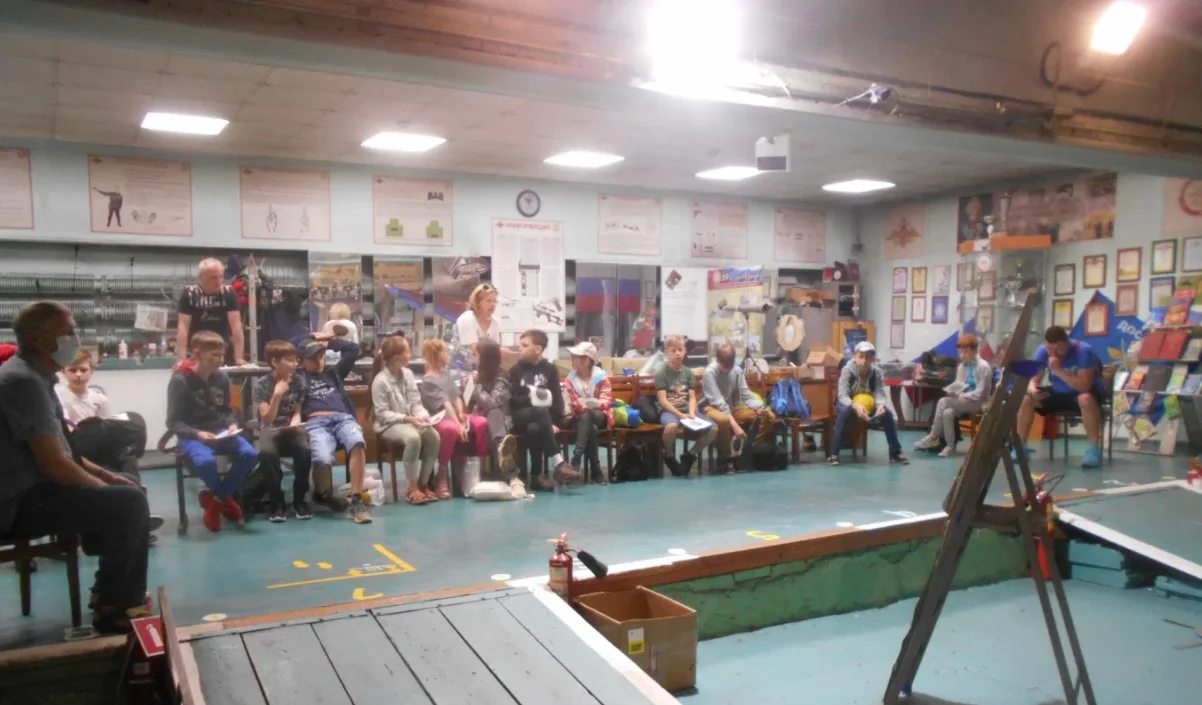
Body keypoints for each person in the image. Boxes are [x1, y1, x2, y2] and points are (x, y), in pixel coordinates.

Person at [0, 301, 150, 634]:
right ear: (37, 338)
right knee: (128, 503)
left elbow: (66, 451)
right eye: (66, 332)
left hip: (33, 489)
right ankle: (116, 607)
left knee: (126, 483)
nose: (75, 338)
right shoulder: (22, 382)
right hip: (15, 503)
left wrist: (107, 476)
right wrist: (102, 488)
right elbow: (55, 465)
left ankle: (107, 589)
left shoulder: (37, 377)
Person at [57, 350, 164, 540]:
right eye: (73, 370)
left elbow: (110, 428)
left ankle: (140, 516)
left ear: (91, 372)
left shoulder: (99, 399)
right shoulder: (58, 397)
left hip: (101, 447)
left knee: (128, 458)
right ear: (64, 372)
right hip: (76, 450)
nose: (78, 375)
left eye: (83, 370)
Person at [167, 331, 259, 532]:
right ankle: (224, 499)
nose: (219, 360)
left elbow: (227, 410)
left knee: (250, 454)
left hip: (220, 432)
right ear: (196, 354)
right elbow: (173, 422)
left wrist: (231, 424)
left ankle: (215, 501)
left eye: (222, 355)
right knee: (205, 462)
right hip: (193, 435)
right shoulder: (180, 381)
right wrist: (197, 434)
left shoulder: (222, 378)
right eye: (214, 355)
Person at [293, 334, 373, 523]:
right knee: (322, 459)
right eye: (312, 358)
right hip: (315, 423)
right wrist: (310, 337)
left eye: (321, 356)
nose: (318, 361)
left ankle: (356, 500)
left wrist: (327, 342)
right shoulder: (297, 378)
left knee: (357, 442)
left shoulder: (333, 373)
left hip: (342, 419)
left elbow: (353, 349)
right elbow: (284, 347)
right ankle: (321, 494)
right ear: (301, 361)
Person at [1018, 325, 1106, 468]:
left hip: (1083, 393)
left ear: (1066, 343)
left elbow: (1084, 386)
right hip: (1058, 392)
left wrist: (1058, 370)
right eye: (1049, 349)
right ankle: (1021, 446)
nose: (1053, 354)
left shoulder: (1083, 351)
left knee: (1085, 399)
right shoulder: (1043, 351)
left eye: (1058, 349)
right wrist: (1033, 388)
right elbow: (1034, 379)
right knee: (1027, 399)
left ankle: (1094, 449)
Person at [372, 335, 441, 505]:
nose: (410, 355)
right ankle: (412, 487)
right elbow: (382, 414)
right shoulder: (380, 381)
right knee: (413, 438)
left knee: (434, 437)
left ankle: (424, 484)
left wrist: (423, 415)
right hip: (388, 425)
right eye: (408, 351)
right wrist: (406, 418)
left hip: (410, 420)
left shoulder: (408, 374)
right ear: (397, 357)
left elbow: (415, 402)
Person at [248, 340, 311, 522]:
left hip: (291, 428)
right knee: (267, 453)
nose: (295, 364)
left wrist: (295, 423)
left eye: (295, 360)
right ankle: (277, 502)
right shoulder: (261, 385)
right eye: (289, 360)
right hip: (270, 428)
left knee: (305, 450)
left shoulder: (299, 382)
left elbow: (297, 411)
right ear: (275, 362)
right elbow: (266, 418)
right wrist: (277, 395)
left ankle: (299, 500)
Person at [509, 329, 579, 489]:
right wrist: (531, 397)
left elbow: (557, 399)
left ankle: (536, 477)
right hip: (520, 415)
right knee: (540, 411)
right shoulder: (516, 370)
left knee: (535, 428)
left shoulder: (550, 369)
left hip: (542, 419)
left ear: (537, 349)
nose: (519, 348)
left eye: (524, 345)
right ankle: (558, 462)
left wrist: (552, 422)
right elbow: (514, 400)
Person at [829, 341, 909, 466]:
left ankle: (895, 452)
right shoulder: (847, 370)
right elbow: (842, 395)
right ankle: (834, 454)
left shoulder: (876, 372)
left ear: (873, 359)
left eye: (867, 357)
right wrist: (855, 406)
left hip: (869, 405)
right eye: (861, 356)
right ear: (855, 356)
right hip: (849, 403)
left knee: (888, 416)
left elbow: (879, 393)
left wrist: (880, 405)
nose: (864, 361)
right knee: (843, 415)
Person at [915, 335, 994, 457]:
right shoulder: (963, 366)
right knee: (947, 413)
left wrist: (961, 396)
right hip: (964, 401)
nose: (962, 355)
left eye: (965, 352)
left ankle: (933, 436)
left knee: (943, 401)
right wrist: (954, 392)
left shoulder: (983, 367)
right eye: (961, 352)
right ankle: (950, 447)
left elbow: (980, 393)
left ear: (974, 350)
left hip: (978, 402)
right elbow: (959, 384)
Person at [702, 343, 777, 473]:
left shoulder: (737, 371)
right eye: (724, 366)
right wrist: (735, 426)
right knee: (724, 420)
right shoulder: (710, 372)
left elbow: (746, 395)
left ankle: (749, 450)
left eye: (729, 366)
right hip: (711, 408)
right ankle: (726, 460)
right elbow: (719, 402)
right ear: (717, 360)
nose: (727, 369)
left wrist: (760, 408)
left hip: (731, 408)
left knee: (769, 416)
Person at [655, 334, 716, 477]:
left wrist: (692, 413)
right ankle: (669, 455)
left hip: (687, 410)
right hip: (669, 411)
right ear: (667, 352)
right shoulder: (661, 373)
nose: (677, 353)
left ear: (684, 351)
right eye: (673, 350)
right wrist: (680, 415)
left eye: (680, 350)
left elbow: (692, 397)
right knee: (671, 427)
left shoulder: (688, 373)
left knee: (714, 429)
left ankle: (690, 455)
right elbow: (663, 401)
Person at [420, 338, 470, 500]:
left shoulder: (446, 375)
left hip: (454, 415)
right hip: (439, 418)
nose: (447, 355)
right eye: (444, 352)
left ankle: (464, 473)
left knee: (479, 423)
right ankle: (442, 474)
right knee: (450, 429)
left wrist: (461, 413)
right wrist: (458, 424)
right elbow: (445, 404)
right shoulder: (428, 380)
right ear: (436, 355)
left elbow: (456, 396)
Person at [466, 339, 519, 480]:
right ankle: (503, 455)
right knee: (487, 418)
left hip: (500, 421)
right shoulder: (476, 375)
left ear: (485, 357)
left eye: (476, 355)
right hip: (478, 419)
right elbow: (467, 403)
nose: (473, 358)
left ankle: (502, 453)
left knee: (494, 413)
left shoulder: (502, 378)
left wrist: (475, 387)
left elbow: (491, 403)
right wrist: (469, 385)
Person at [176, 257, 245, 366]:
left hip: (222, 347)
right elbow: (183, 328)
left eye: (221, 277)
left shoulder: (228, 293)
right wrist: (181, 359)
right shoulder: (189, 294)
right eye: (213, 278)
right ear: (201, 278)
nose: (218, 281)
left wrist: (239, 357)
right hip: (196, 348)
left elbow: (236, 327)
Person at [562, 341, 612, 484]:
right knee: (591, 427)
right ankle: (596, 471)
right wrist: (585, 405)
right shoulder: (570, 379)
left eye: (575, 356)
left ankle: (576, 459)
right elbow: (573, 401)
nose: (571, 359)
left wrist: (593, 403)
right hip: (580, 418)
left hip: (600, 416)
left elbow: (606, 400)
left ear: (586, 360)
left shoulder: (601, 377)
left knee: (589, 416)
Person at [452, 283, 501, 372]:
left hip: (484, 368)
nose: (493, 304)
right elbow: (476, 350)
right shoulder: (467, 318)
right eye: (489, 301)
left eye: (495, 301)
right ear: (477, 302)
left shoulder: (495, 322)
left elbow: (495, 350)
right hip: (461, 369)